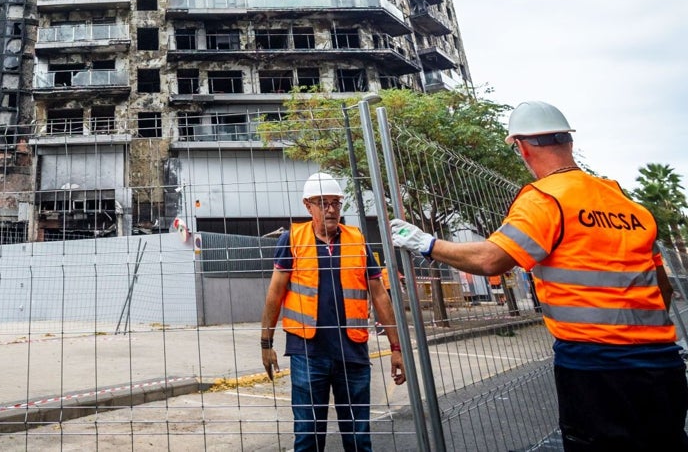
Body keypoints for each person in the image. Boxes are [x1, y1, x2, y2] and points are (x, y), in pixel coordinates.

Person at [389, 100, 688, 451]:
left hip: (594, 368)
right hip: (661, 364)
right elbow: (661, 286)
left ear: (521, 148)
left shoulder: (545, 199)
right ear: (569, 142)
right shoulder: (627, 203)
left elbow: (491, 260)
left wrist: (425, 243)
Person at [261, 171, 407, 452]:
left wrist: (396, 347)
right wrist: (265, 343)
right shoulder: (292, 239)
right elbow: (274, 294)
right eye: (322, 203)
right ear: (308, 206)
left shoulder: (357, 241)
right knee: (307, 436)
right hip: (308, 353)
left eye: (336, 203)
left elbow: (379, 294)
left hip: (352, 354)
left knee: (358, 437)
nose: (330, 209)